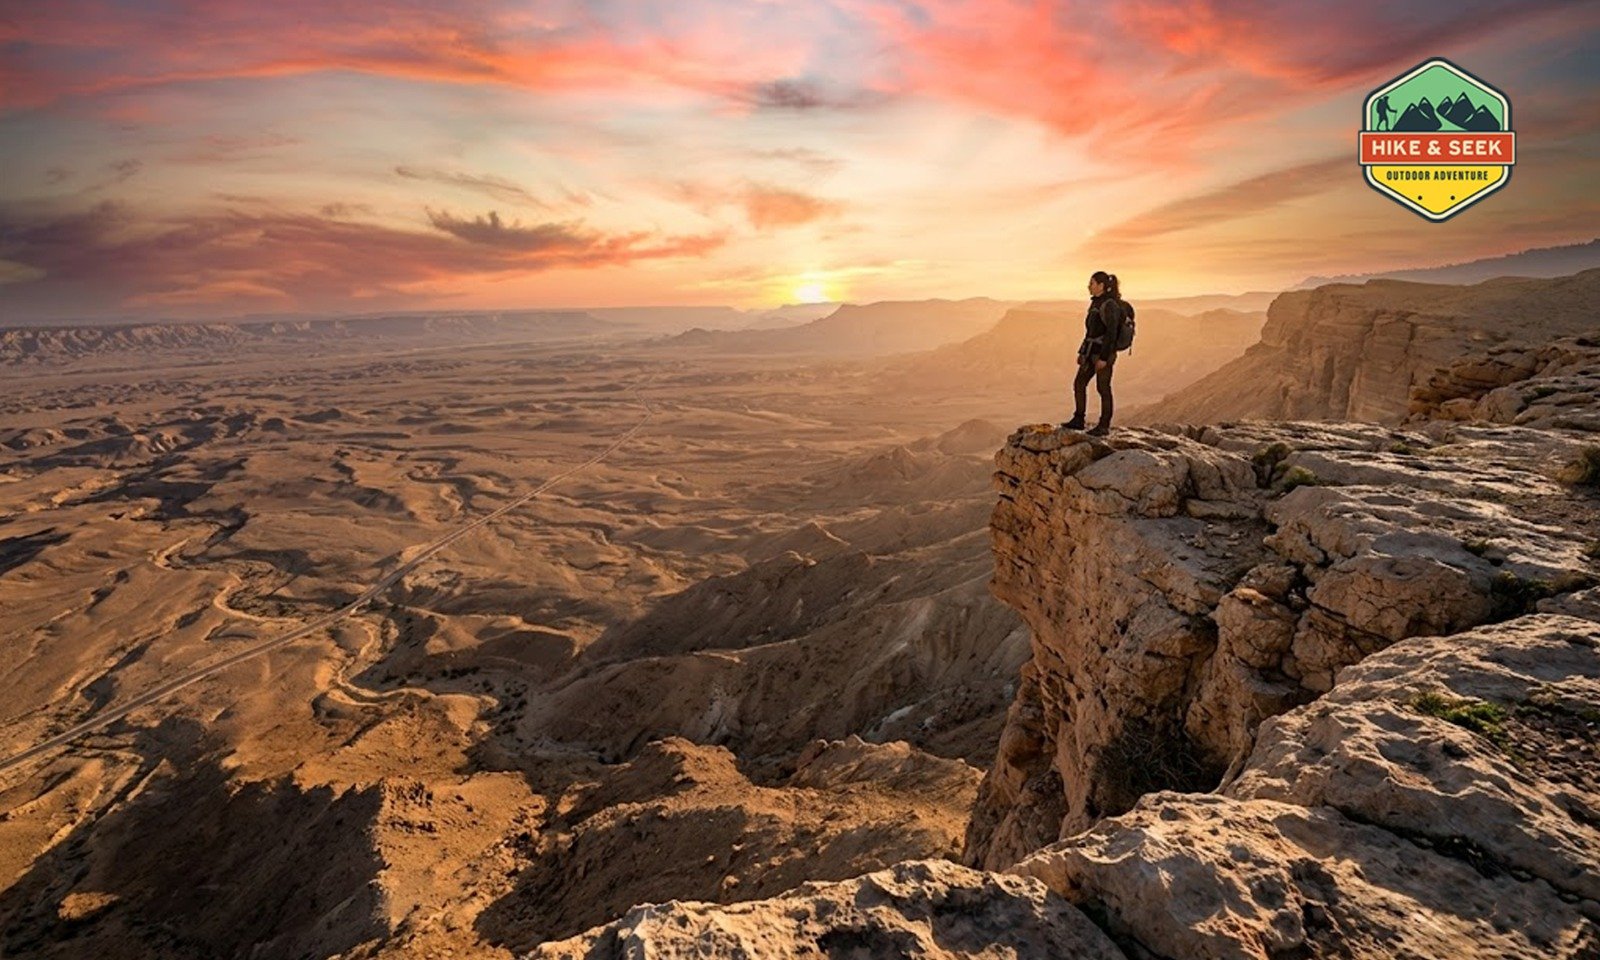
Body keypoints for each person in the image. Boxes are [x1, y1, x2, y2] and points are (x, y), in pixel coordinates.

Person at [1064, 270, 1125, 436]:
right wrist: (1082, 352)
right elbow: (1090, 331)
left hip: (1103, 354)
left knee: (1103, 388)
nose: (1088, 287)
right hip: (1091, 352)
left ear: (1101, 285)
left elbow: (1111, 334)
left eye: (1091, 283)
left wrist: (1104, 358)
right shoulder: (1096, 303)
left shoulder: (1109, 305)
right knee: (1079, 383)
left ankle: (1104, 425)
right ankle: (1078, 420)